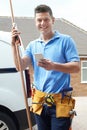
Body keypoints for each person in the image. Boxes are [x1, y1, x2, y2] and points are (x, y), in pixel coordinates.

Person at [11, 4, 80, 130]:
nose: (43, 23)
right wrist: (13, 46)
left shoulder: (66, 41)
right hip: (40, 101)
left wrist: (54, 66)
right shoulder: (32, 45)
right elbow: (20, 66)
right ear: (35, 22)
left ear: (52, 20)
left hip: (60, 103)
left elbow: (76, 67)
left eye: (46, 19)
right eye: (39, 20)